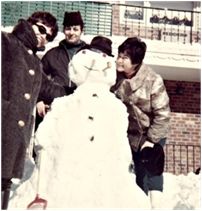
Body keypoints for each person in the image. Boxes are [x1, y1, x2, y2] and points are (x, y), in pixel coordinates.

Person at [8, 36, 150, 209]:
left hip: (103, 171)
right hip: (68, 168)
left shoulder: (116, 106)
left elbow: (123, 138)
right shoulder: (68, 101)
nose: (97, 60)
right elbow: (46, 133)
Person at [1, 11, 66, 210]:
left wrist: (77, 90)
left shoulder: (35, 63)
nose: (43, 36)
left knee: (4, 185)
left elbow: (48, 88)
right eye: (41, 29)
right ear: (30, 23)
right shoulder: (6, 42)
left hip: (14, 138)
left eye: (48, 36)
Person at [111, 37, 170, 209]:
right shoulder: (115, 78)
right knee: (138, 174)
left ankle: (156, 206)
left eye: (124, 57)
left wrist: (151, 141)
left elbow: (163, 115)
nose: (119, 60)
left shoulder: (153, 80)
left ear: (136, 62)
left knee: (152, 170)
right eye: (119, 55)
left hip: (152, 132)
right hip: (130, 134)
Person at [35, 11, 86, 128]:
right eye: (68, 28)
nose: (71, 32)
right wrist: (39, 100)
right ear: (64, 30)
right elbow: (37, 78)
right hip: (56, 110)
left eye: (75, 29)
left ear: (82, 31)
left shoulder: (88, 54)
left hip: (81, 109)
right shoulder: (52, 54)